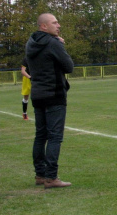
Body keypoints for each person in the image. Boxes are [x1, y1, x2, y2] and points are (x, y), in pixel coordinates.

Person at [26, 13, 74, 189]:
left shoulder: (31, 43)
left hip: (37, 94)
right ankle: (51, 177)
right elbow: (69, 67)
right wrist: (61, 47)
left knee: (41, 135)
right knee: (55, 137)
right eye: (54, 23)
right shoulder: (53, 43)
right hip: (54, 94)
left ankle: (40, 174)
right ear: (44, 26)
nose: (58, 25)